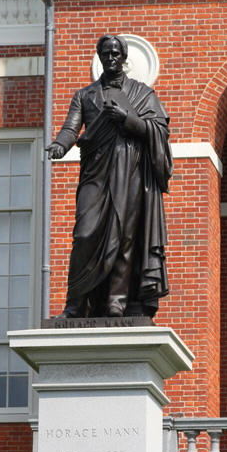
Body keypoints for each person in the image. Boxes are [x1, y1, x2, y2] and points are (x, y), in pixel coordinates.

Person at [47, 34, 173, 318]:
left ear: (124, 57)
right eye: (106, 53)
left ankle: (117, 299)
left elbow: (159, 132)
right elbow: (71, 128)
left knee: (124, 236)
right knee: (84, 233)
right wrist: (59, 144)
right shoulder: (85, 95)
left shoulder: (142, 94)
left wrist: (127, 121)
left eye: (116, 53)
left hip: (129, 172)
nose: (111, 57)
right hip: (96, 172)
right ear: (100, 56)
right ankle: (75, 303)